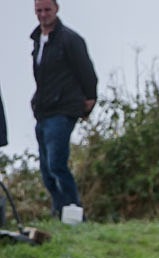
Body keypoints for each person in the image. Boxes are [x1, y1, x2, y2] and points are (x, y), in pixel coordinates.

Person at [30, 0, 97, 219]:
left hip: (63, 109)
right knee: (46, 170)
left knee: (56, 164)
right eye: (39, 10)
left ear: (56, 9)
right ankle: (60, 212)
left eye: (47, 10)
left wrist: (88, 101)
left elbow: (87, 72)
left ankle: (74, 213)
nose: (43, 14)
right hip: (43, 110)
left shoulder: (70, 39)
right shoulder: (38, 40)